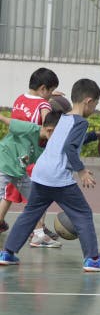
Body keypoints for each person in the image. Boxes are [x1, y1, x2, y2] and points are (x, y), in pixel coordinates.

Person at [0, 79, 100, 271]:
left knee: (30, 214)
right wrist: (81, 171)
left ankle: (8, 253)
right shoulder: (81, 122)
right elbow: (70, 146)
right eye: (95, 104)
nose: (94, 108)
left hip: (41, 173)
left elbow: (69, 140)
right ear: (88, 101)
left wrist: (96, 135)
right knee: (83, 214)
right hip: (58, 178)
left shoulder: (63, 118)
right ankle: (93, 259)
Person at [2, 67, 62, 247]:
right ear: (43, 88)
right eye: (50, 90)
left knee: (11, 194)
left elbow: (29, 109)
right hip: (28, 158)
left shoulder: (19, 99)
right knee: (39, 196)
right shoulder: (44, 105)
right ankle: (38, 233)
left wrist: (48, 97)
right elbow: (48, 126)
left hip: (11, 155)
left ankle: (36, 231)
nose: (50, 94)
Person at [0, 112, 62, 230]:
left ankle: (38, 234)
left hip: (19, 173)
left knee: (38, 201)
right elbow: (6, 120)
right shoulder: (30, 128)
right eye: (59, 134)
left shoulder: (46, 145)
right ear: (50, 130)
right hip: (3, 164)